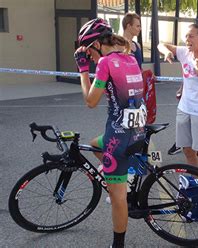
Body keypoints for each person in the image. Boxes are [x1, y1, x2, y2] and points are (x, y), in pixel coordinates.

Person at [74, 18, 146, 248]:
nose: (91, 59)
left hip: (118, 138)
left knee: (117, 197)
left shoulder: (105, 62)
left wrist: (83, 70)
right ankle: (125, 175)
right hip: (136, 130)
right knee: (95, 145)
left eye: (89, 53)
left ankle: (118, 245)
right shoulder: (130, 58)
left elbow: (90, 101)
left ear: (95, 44)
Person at [157, 23, 198, 178]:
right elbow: (161, 44)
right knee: (187, 150)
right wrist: (167, 52)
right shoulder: (184, 52)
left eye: (191, 36)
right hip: (184, 109)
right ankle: (197, 183)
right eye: (186, 36)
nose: (187, 39)